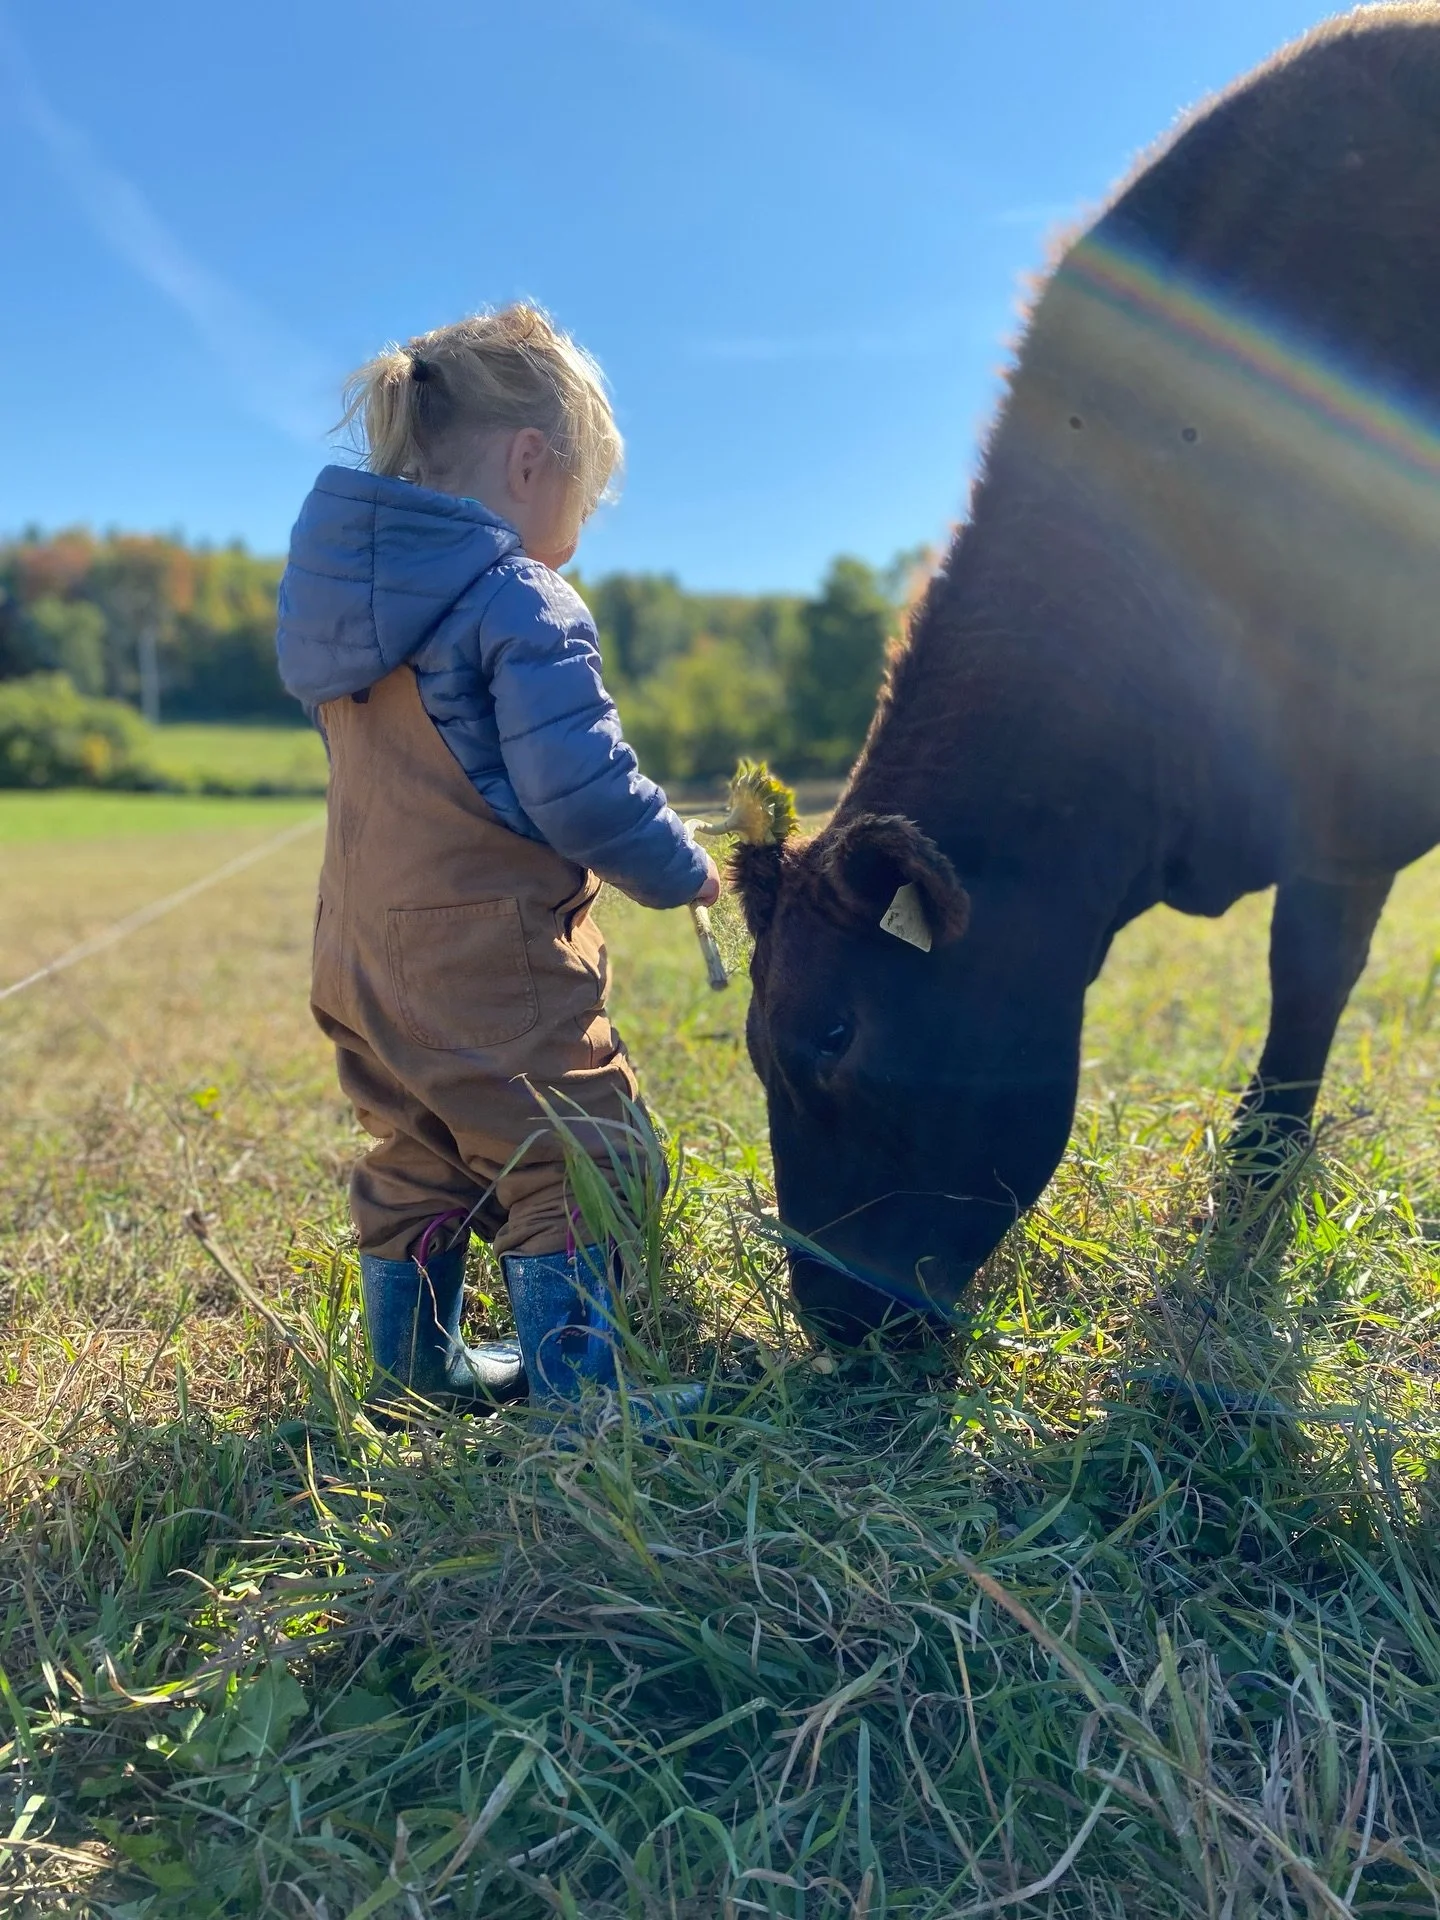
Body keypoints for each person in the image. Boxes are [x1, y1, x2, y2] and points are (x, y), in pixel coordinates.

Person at [275, 305, 720, 1418]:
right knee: (584, 1151)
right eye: (589, 487)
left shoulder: (352, 615)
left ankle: (412, 1374)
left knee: (422, 1145)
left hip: (358, 960)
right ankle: (581, 1399)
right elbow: (581, 788)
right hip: (486, 957)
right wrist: (685, 867)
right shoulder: (518, 597)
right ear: (532, 462)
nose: (588, 516)